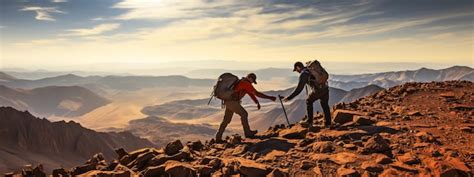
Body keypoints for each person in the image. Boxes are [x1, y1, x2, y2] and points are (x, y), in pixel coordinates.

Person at [215, 73, 277, 142]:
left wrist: (257, 102)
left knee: (226, 120)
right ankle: (247, 133)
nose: (252, 83)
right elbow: (256, 93)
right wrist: (270, 97)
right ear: (250, 78)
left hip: (229, 101)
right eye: (253, 81)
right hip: (232, 102)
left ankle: (218, 138)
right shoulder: (246, 83)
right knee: (244, 114)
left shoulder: (242, 82)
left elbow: (251, 93)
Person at [281, 61, 331, 128]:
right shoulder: (309, 70)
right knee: (325, 105)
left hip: (318, 90)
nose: (297, 71)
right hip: (325, 88)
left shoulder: (304, 74)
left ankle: (309, 122)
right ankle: (328, 124)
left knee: (309, 101)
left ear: (298, 67)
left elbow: (298, 89)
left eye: (296, 70)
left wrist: (289, 98)